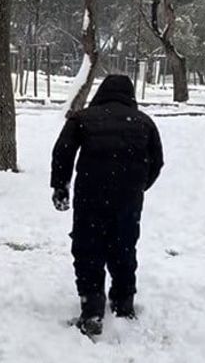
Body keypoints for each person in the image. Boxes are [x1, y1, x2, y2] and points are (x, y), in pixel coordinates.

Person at [50, 74, 163, 337]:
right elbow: (157, 161)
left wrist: (60, 186)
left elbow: (63, 151)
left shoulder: (83, 118)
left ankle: (92, 307)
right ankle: (124, 303)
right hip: (128, 198)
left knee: (88, 247)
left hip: (91, 194)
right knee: (123, 246)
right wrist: (139, 185)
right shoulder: (144, 123)